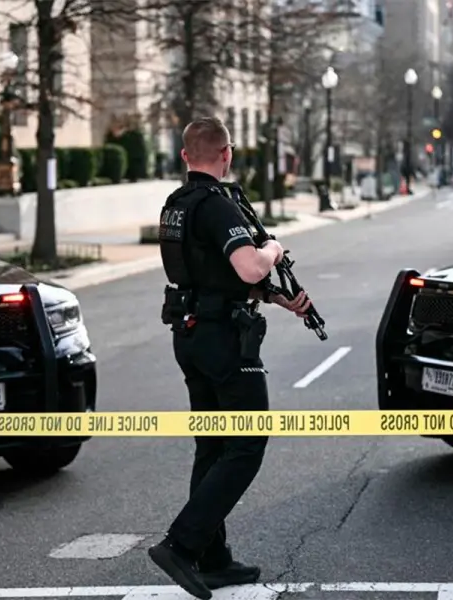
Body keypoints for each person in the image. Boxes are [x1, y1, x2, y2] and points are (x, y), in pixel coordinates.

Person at [149, 117, 312, 600]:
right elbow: (246, 264)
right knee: (246, 443)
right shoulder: (218, 205)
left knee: (213, 445)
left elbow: (211, 274)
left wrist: (279, 299)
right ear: (227, 154)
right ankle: (181, 545)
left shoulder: (175, 205)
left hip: (191, 332)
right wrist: (273, 247)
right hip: (223, 340)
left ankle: (212, 558)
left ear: (184, 156)